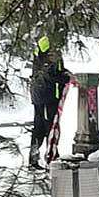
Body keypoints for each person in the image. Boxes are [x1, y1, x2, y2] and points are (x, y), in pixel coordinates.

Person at [27, 35, 70, 169]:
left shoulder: (52, 52)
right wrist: (66, 78)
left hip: (44, 95)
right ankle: (51, 157)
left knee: (43, 127)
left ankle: (41, 157)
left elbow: (58, 70)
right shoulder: (47, 51)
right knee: (49, 127)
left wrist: (66, 74)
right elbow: (50, 75)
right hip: (46, 96)